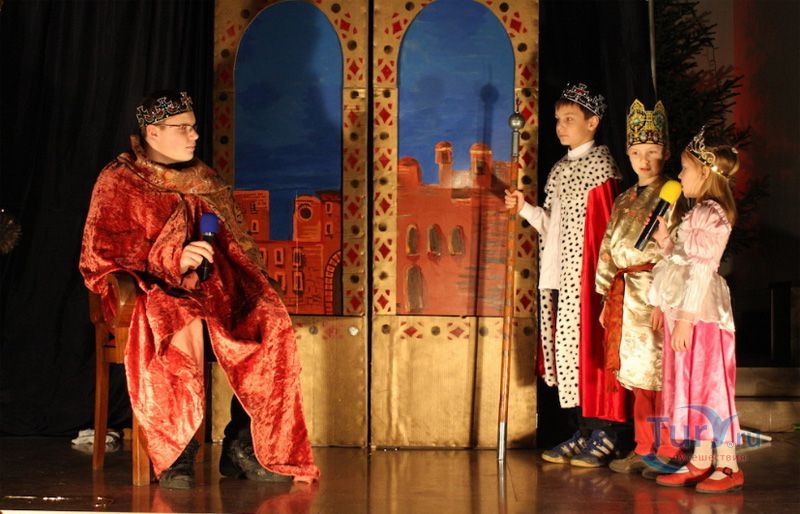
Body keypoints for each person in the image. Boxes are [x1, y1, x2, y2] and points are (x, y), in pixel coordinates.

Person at [80, 90, 319, 489]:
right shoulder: (120, 180)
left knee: (269, 316)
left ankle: (244, 445)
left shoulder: (204, 181)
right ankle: (179, 450)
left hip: (210, 290)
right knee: (182, 319)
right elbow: (102, 254)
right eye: (183, 128)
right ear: (153, 132)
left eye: (194, 127)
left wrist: (228, 274)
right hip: (148, 294)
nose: (194, 136)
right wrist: (173, 259)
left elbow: (236, 246)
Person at [505, 83, 628, 467]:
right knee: (569, 354)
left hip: (588, 279)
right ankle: (582, 429)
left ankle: (606, 431)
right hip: (561, 275)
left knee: (592, 350)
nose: (561, 126)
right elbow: (553, 228)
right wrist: (525, 209)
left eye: (570, 119)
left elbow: (605, 232)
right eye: (558, 119)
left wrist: (602, 283)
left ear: (593, 123)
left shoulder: (601, 169)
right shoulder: (560, 170)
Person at [647, 126, 743, 493]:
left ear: (704, 172)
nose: (680, 175)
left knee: (710, 383)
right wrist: (666, 243)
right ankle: (701, 459)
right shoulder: (698, 211)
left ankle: (729, 464)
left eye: (685, 169)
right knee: (694, 384)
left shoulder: (712, 213)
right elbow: (684, 260)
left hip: (701, 313)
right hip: (687, 309)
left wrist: (686, 321)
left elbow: (702, 269)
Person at [595, 99, 684, 474]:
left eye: (652, 152)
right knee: (635, 375)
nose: (644, 160)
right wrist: (606, 298)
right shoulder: (624, 198)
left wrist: (665, 299)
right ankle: (644, 445)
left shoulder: (673, 195)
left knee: (657, 374)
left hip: (654, 291)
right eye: (636, 152)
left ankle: (669, 447)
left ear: (665, 152)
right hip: (625, 292)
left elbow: (678, 251)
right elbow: (608, 250)